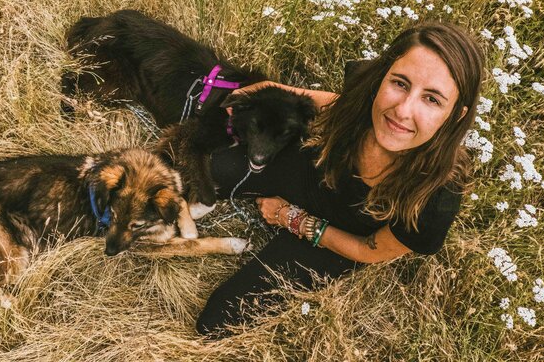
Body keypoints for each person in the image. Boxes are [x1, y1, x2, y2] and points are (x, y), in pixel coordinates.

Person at [195, 21, 485, 338]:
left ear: (455, 114)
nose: (403, 110)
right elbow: (326, 100)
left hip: (343, 234)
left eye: (432, 99)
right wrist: (267, 92)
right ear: (380, 78)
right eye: (400, 83)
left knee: (216, 322)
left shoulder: (438, 195)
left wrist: (290, 218)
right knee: (203, 170)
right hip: (313, 173)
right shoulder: (364, 99)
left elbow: (369, 251)